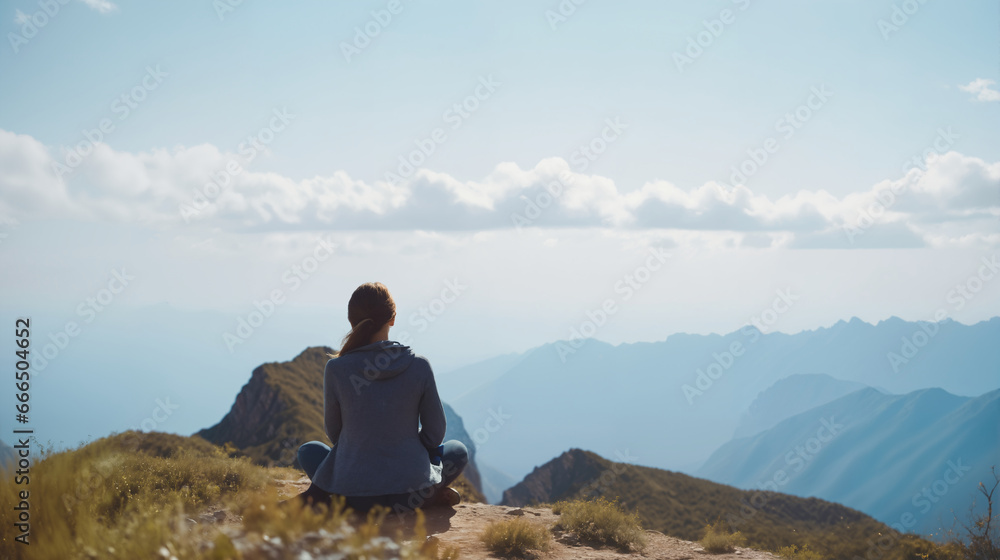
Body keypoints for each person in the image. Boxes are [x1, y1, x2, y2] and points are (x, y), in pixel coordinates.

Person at [295, 282, 468, 513]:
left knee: (309, 451)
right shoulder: (419, 366)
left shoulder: (336, 369)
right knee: (457, 450)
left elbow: (335, 434)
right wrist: (403, 445)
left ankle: (331, 499)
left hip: (353, 495)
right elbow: (435, 434)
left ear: (351, 322)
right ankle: (432, 494)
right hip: (411, 494)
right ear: (392, 318)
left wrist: (370, 444)